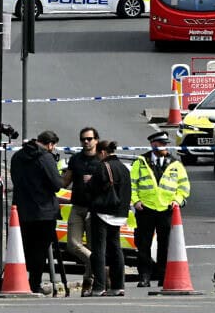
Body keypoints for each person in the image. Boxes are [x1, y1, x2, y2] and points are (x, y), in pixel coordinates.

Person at [130, 131, 191, 287]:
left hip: (166, 209)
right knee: (143, 245)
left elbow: (184, 187)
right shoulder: (141, 161)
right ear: (153, 144)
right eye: (162, 144)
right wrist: (135, 201)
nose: (165, 147)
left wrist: (177, 200)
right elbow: (132, 184)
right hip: (146, 209)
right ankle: (144, 276)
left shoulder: (175, 164)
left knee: (165, 245)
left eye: (166, 144)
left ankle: (163, 275)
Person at [10, 130, 64, 294]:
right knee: (40, 249)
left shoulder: (17, 156)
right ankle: (34, 283)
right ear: (50, 144)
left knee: (24, 246)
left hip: (22, 209)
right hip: (44, 211)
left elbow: (14, 178)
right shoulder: (45, 157)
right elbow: (56, 184)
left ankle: (20, 280)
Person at [87, 140, 132, 296]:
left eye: (98, 155)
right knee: (116, 249)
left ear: (103, 152)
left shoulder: (103, 167)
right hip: (119, 214)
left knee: (99, 249)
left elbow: (92, 189)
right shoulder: (124, 168)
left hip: (102, 212)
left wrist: (88, 182)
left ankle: (99, 287)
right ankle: (118, 285)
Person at [62, 126, 101, 296]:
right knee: (72, 244)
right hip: (77, 207)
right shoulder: (76, 159)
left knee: (92, 245)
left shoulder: (101, 159)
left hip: (95, 209)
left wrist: (95, 179)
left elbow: (111, 182)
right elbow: (65, 181)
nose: (86, 142)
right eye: (83, 139)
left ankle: (89, 282)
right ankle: (100, 265)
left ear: (96, 140)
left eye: (89, 139)